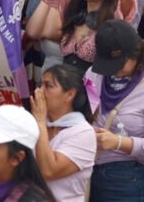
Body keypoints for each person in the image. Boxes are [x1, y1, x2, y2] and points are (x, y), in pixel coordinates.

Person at [88, 20, 144, 202]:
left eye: (119, 64)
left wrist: (119, 142)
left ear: (136, 55)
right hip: (90, 169)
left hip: (129, 180)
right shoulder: (93, 74)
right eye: (108, 64)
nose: (113, 71)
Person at [31, 64, 97, 200]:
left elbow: (49, 171)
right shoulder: (40, 123)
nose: (39, 91)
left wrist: (39, 122)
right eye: (40, 84)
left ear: (70, 95)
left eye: (48, 86)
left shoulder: (83, 132)